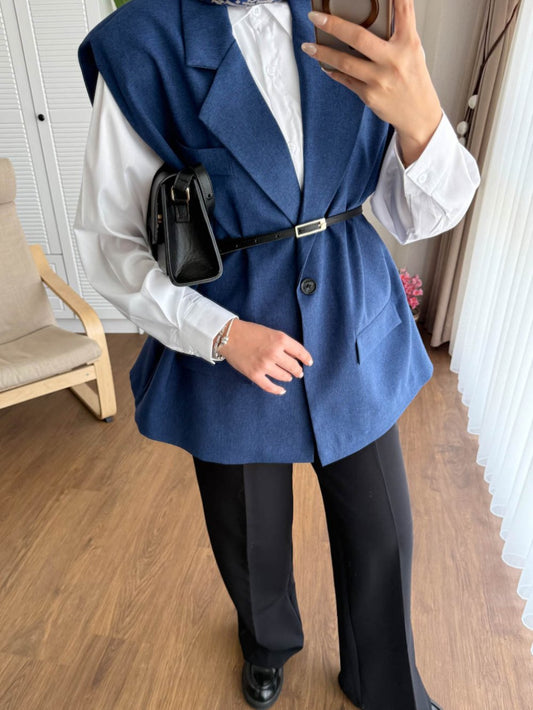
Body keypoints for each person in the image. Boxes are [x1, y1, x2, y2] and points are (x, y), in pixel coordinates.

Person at [74, 1, 480, 708]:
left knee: (381, 530)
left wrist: (421, 125)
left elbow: (408, 212)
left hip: (349, 317)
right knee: (249, 533)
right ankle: (267, 646)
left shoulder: (352, 15)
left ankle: (386, 684)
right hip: (230, 330)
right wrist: (220, 333)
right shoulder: (139, 46)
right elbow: (112, 242)